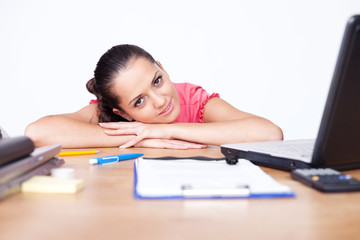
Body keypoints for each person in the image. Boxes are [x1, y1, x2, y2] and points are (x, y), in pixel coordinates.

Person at [25, 44, 283, 149]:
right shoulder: (108, 114)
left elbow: (270, 133)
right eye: (139, 101)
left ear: (162, 67)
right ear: (123, 114)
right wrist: (140, 138)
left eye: (157, 81)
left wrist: (165, 131)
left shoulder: (193, 100)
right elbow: (37, 133)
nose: (160, 101)